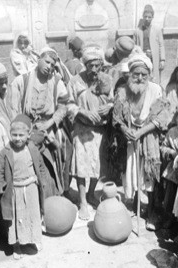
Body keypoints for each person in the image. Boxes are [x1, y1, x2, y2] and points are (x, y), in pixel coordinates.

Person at [112, 53, 171, 231]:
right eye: (136, 74)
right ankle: (137, 204)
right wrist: (125, 130)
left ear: (149, 75)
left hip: (148, 137)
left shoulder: (155, 90)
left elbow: (162, 117)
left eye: (143, 74)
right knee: (133, 173)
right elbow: (116, 118)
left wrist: (140, 133)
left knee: (149, 176)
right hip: (130, 138)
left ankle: (152, 211)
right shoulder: (122, 90)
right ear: (129, 74)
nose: (139, 78)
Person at [9, 47, 70, 198]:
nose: (49, 67)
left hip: (49, 126)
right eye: (47, 62)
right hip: (25, 127)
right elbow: (14, 110)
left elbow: (63, 106)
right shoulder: (21, 81)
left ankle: (57, 193)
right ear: (38, 60)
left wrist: (49, 124)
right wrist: (26, 130)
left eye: (53, 64)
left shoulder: (56, 82)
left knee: (64, 148)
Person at [67, 44, 114, 220]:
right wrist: (82, 111)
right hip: (82, 129)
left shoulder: (106, 79)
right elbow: (68, 103)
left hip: (99, 129)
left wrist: (108, 107)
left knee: (97, 166)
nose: (94, 69)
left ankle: (91, 193)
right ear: (85, 65)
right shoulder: (75, 81)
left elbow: (113, 100)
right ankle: (83, 202)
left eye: (97, 66)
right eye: (90, 66)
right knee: (82, 166)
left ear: (101, 65)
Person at [0, 114, 48, 260]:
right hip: (14, 191)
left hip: (31, 188)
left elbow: (40, 166)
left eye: (21, 135)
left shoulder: (33, 149)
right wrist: (1, 187)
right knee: (17, 219)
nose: (17, 138)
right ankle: (16, 245)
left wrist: (42, 181)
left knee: (32, 216)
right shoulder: (4, 153)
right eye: (14, 135)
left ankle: (31, 240)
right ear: (9, 134)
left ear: (29, 134)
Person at [134, 5, 165, 84]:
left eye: (149, 17)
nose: (147, 19)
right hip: (142, 58)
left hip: (154, 58)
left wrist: (162, 60)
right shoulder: (138, 31)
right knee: (143, 77)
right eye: (145, 16)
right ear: (143, 16)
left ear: (152, 17)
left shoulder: (157, 30)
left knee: (154, 78)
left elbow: (161, 45)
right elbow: (134, 46)